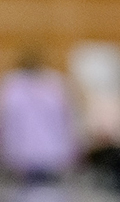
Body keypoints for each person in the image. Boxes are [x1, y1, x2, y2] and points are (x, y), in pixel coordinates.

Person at [0, 50, 79, 183]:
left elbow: (69, 118)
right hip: (21, 157)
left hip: (51, 155)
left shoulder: (55, 83)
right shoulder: (11, 84)